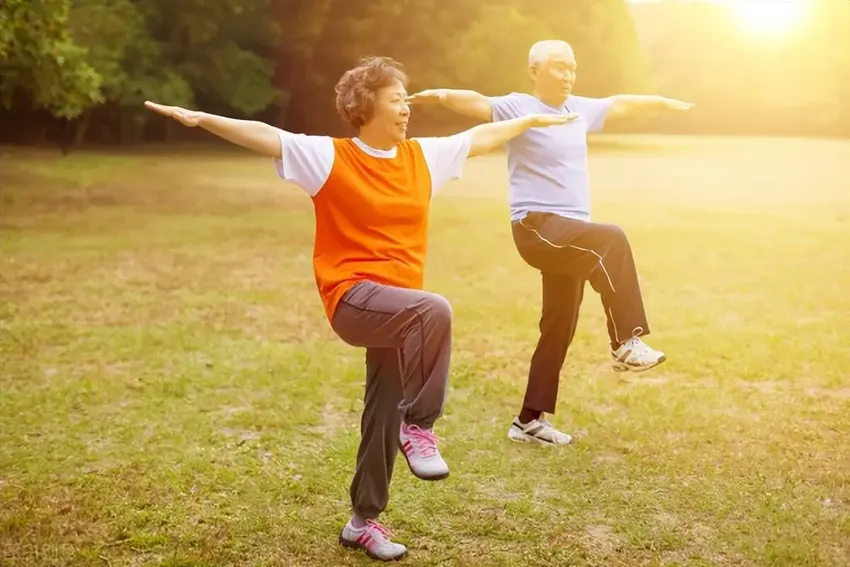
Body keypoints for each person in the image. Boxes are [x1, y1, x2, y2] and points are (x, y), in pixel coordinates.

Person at [145, 56, 575, 561]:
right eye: (396, 99)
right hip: (352, 298)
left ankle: (362, 521)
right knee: (433, 311)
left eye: (406, 99)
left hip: (398, 311)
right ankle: (421, 427)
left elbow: (481, 138)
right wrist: (200, 119)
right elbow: (265, 134)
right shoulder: (328, 157)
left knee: (380, 412)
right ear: (366, 105)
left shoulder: (422, 158)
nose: (406, 109)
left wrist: (530, 119)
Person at [408, 40, 694, 447]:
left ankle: (528, 420)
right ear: (535, 70)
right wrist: (440, 96)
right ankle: (626, 342)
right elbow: (477, 103)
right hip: (537, 226)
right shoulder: (519, 107)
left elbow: (620, 104)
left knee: (559, 326)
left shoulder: (578, 110)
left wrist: (660, 102)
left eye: (572, 68)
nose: (567, 75)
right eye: (559, 67)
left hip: (570, 236)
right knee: (611, 239)